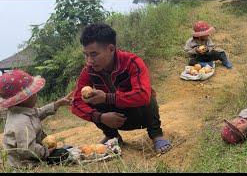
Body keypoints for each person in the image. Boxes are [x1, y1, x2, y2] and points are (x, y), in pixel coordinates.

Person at [71, 23, 172, 155]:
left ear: (111, 49)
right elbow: (75, 103)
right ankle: (113, 137)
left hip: (139, 115)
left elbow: (142, 95)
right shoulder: (88, 71)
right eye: (86, 55)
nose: (89, 61)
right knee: (90, 98)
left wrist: (108, 97)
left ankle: (157, 135)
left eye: (94, 54)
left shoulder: (132, 62)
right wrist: (101, 117)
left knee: (148, 96)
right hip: (112, 120)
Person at [0, 69, 72, 168]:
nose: (36, 95)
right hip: (25, 162)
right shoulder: (21, 122)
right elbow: (28, 149)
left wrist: (57, 104)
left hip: (32, 152)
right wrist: (46, 151)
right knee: (63, 153)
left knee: (63, 151)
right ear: (26, 98)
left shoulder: (22, 110)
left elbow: (39, 113)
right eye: (34, 93)